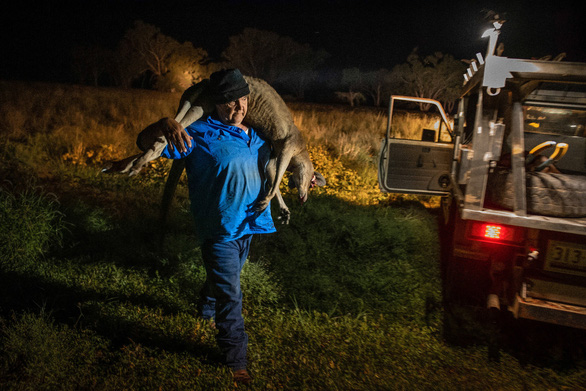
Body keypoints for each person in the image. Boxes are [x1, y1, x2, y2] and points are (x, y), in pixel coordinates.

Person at [137, 69, 276, 384]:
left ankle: (205, 309)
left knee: (226, 279)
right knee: (232, 293)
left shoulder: (256, 133)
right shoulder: (196, 133)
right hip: (218, 228)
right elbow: (146, 144)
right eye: (229, 102)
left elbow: (281, 160)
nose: (237, 108)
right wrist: (162, 125)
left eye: (242, 100)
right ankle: (235, 359)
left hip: (249, 223)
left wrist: (306, 175)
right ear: (216, 103)